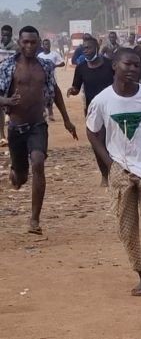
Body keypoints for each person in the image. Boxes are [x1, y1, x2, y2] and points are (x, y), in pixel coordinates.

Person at [86, 47, 141, 297]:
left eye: (137, 65)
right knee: (126, 228)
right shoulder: (102, 100)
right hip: (120, 169)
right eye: (127, 64)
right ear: (114, 66)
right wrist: (109, 163)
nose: (132, 69)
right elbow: (92, 131)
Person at [1, 26, 77, 234]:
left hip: (37, 125)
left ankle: (34, 220)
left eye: (33, 42)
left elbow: (56, 91)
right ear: (19, 42)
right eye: (25, 42)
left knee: (38, 162)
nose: (29, 46)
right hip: (16, 127)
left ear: (38, 42)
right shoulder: (8, 66)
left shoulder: (45, 66)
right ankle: (15, 172)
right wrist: (6, 100)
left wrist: (66, 120)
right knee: (21, 178)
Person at [67, 36, 115, 186]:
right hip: (93, 111)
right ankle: (105, 175)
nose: (85, 51)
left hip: (113, 109)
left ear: (96, 48)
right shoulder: (81, 68)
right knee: (97, 144)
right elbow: (76, 86)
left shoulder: (109, 65)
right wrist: (72, 90)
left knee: (114, 142)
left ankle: (119, 172)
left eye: (88, 48)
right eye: (84, 48)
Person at [0, 24, 19, 147]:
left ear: (11, 35)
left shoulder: (16, 48)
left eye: (7, 35)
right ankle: (2, 136)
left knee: (13, 107)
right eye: (3, 35)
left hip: (12, 80)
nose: (5, 37)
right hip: (0, 80)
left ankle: (14, 135)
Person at [37, 39, 65, 121]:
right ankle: (43, 112)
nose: (47, 46)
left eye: (48, 44)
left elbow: (62, 63)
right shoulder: (40, 55)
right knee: (42, 96)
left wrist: (55, 66)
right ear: (42, 45)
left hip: (52, 79)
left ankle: (51, 114)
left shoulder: (54, 54)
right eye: (45, 44)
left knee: (51, 96)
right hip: (42, 79)